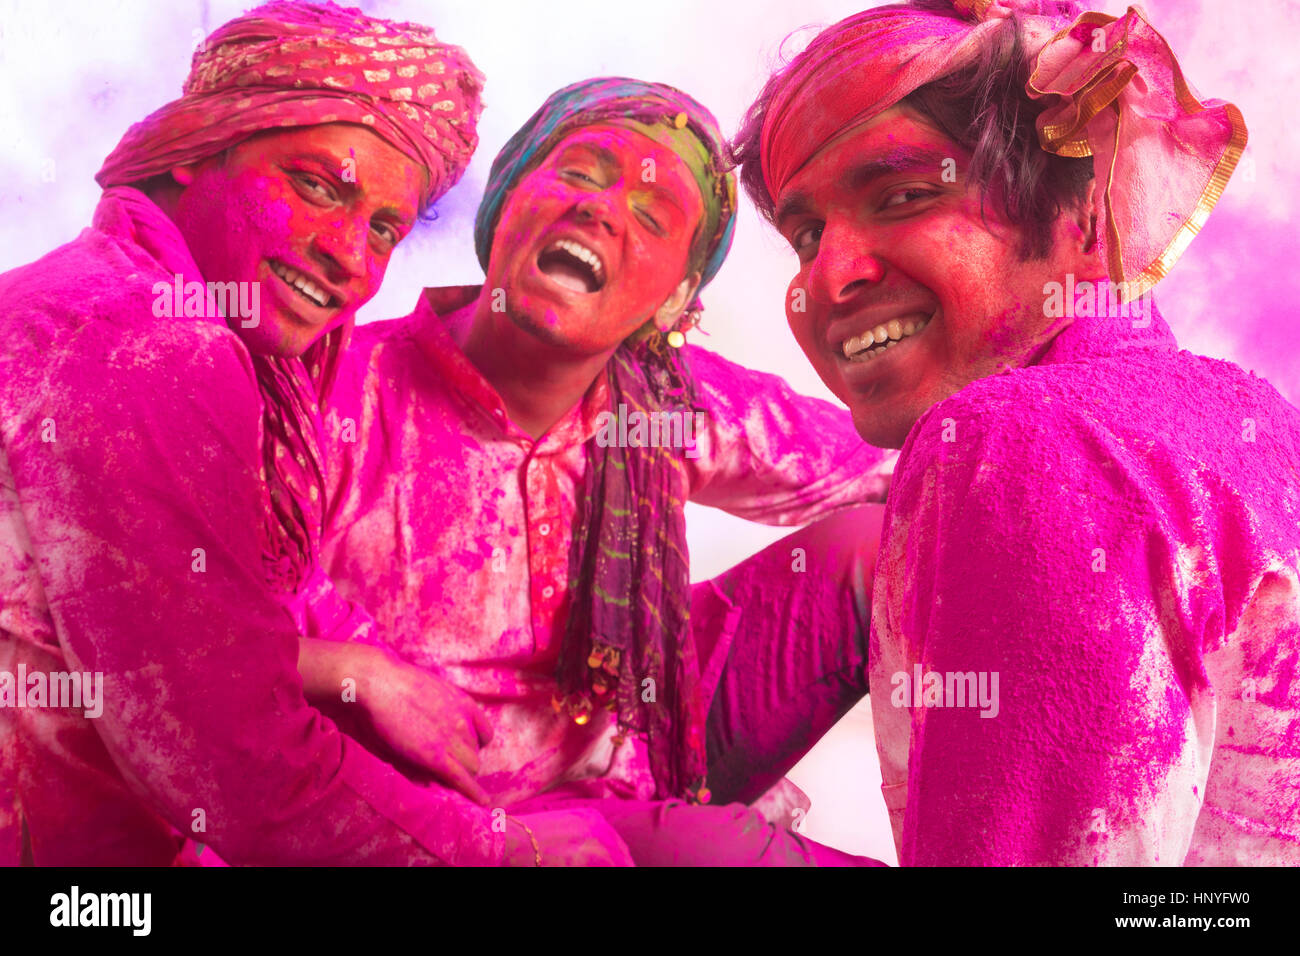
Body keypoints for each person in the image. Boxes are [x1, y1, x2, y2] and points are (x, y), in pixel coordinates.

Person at [0, 0, 626, 866]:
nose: (348, 255)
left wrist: (348, 668)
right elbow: (235, 765)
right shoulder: (153, 345)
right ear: (198, 153)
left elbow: (144, 631)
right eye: (317, 185)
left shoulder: (84, 295)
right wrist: (502, 850)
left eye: (381, 229)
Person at [732, 0, 1298, 864]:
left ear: (1082, 217)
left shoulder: (1022, 441)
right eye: (806, 234)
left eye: (906, 195)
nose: (828, 274)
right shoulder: (1265, 426)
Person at [314, 78, 893, 864]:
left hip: (639, 753)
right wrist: (352, 670)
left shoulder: (659, 400)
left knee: (894, 544)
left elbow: (891, 462)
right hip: (414, 817)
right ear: (507, 200)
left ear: (674, 301)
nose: (604, 209)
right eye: (580, 174)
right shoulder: (336, 388)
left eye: (653, 218)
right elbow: (187, 628)